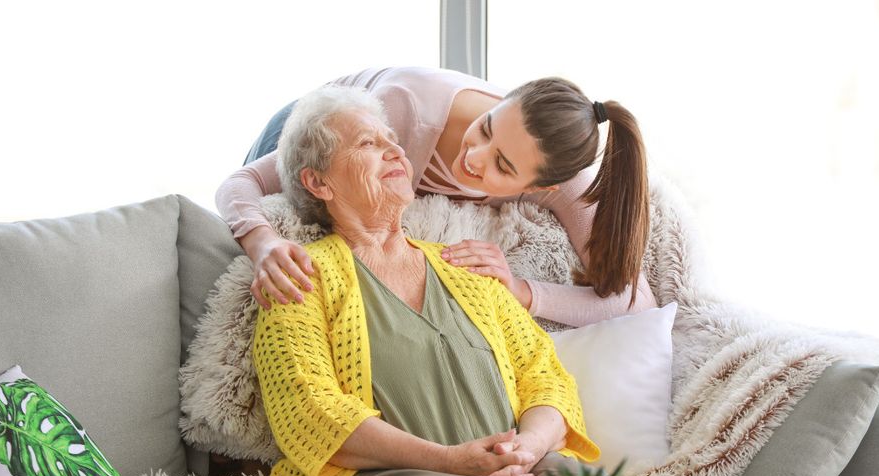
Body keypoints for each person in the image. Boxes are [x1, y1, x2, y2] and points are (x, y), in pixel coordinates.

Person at [251, 85, 648, 476]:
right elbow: (312, 416)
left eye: (393, 140)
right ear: (317, 182)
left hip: (511, 469)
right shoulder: (297, 277)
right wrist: (449, 461)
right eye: (369, 143)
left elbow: (545, 378)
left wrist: (529, 447)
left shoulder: (467, 266)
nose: (394, 151)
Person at [217, 67, 658, 327]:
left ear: (541, 188)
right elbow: (238, 185)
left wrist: (520, 291)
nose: (474, 156)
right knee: (238, 263)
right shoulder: (403, 115)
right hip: (312, 128)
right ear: (501, 101)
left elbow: (634, 300)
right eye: (486, 127)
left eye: (502, 166)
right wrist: (264, 243)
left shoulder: (562, 179)